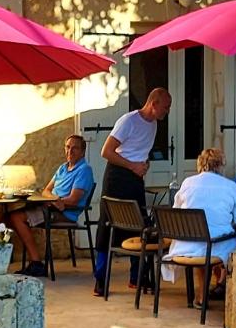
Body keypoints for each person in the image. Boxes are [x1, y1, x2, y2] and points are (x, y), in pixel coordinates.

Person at [93, 88, 172, 296]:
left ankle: (137, 277)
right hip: (116, 177)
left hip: (135, 178)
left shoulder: (154, 124)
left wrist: (143, 165)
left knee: (140, 226)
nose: (167, 111)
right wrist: (132, 166)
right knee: (107, 227)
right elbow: (106, 152)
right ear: (153, 103)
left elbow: (140, 152)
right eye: (165, 107)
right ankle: (100, 279)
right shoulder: (128, 121)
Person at [163, 148, 236, 305]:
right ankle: (227, 293)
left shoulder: (187, 183)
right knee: (226, 241)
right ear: (221, 165)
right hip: (216, 244)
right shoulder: (229, 186)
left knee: (205, 241)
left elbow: (176, 210)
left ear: (200, 164)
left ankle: (202, 295)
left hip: (186, 244)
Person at [9, 135, 96, 278]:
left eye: (75, 148)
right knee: (8, 217)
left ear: (82, 151)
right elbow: (46, 190)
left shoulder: (84, 170)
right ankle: (34, 261)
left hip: (65, 213)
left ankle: (36, 263)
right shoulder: (63, 167)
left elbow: (73, 200)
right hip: (52, 207)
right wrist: (54, 199)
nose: (70, 151)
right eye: (68, 147)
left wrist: (56, 201)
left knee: (16, 218)